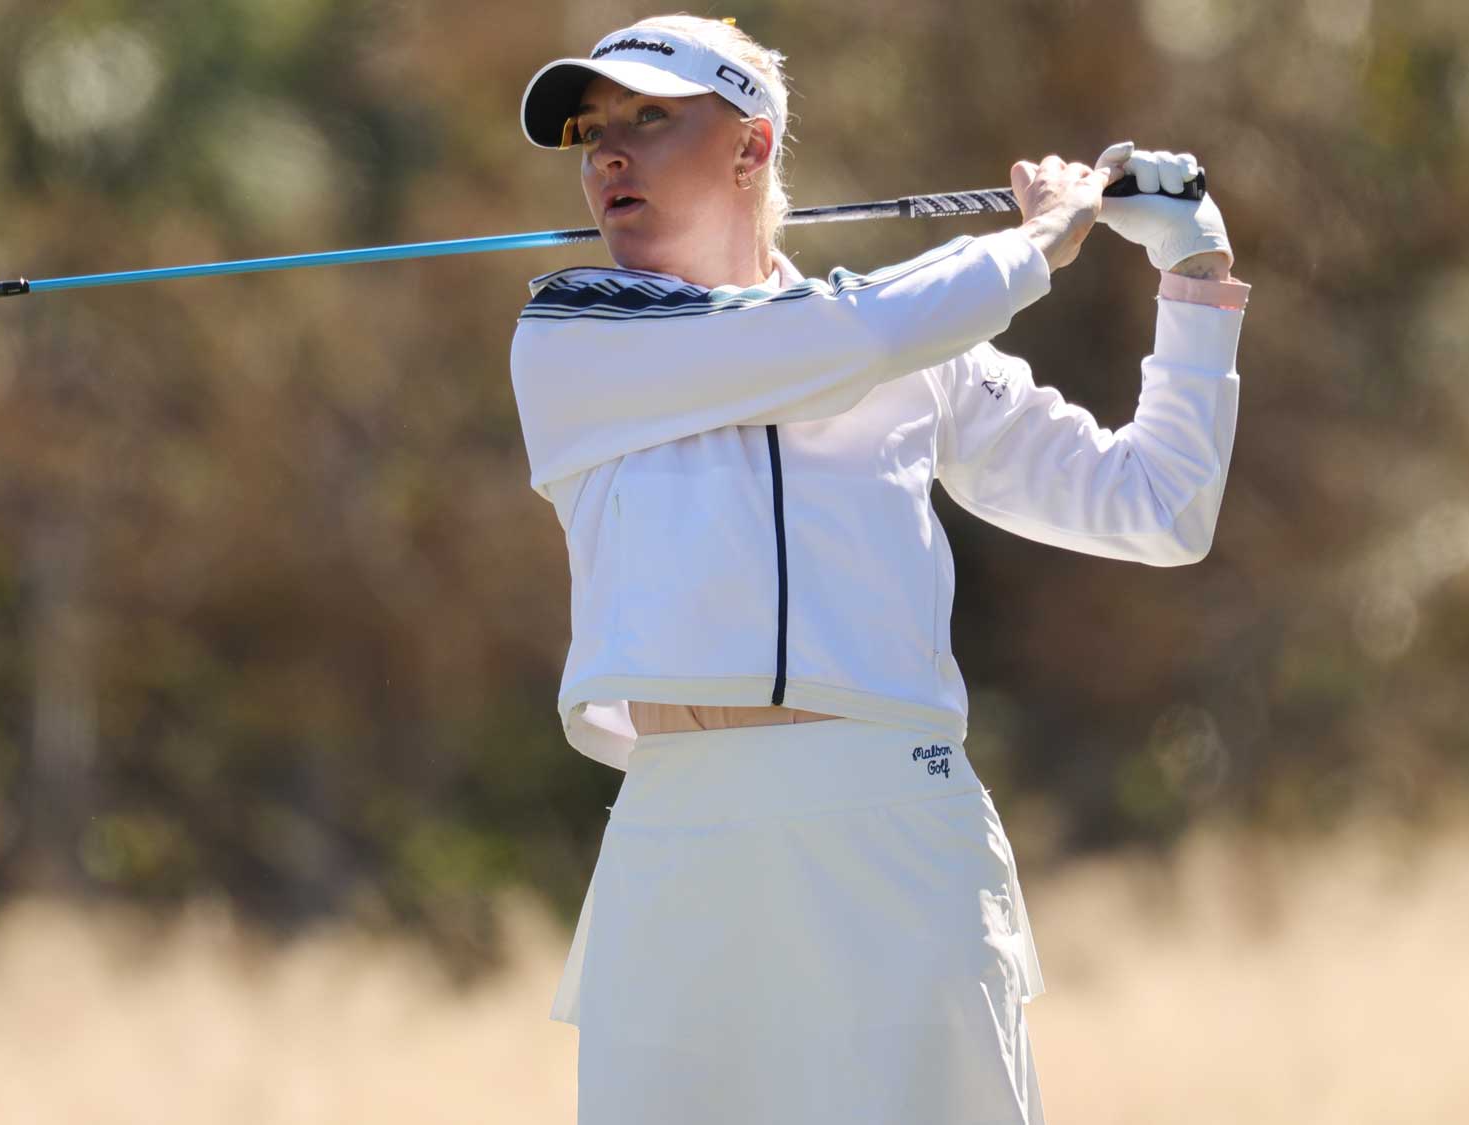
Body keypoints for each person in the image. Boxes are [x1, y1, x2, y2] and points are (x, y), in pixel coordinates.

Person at [509, 15, 1246, 1125]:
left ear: (750, 147)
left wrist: (1194, 276)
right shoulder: (573, 332)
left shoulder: (919, 346)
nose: (606, 154)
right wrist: (1034, 242)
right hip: (679, 830)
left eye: (647, 121)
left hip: (890, 815)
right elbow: (828, 342)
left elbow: (1155, 508)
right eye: (590, 134)